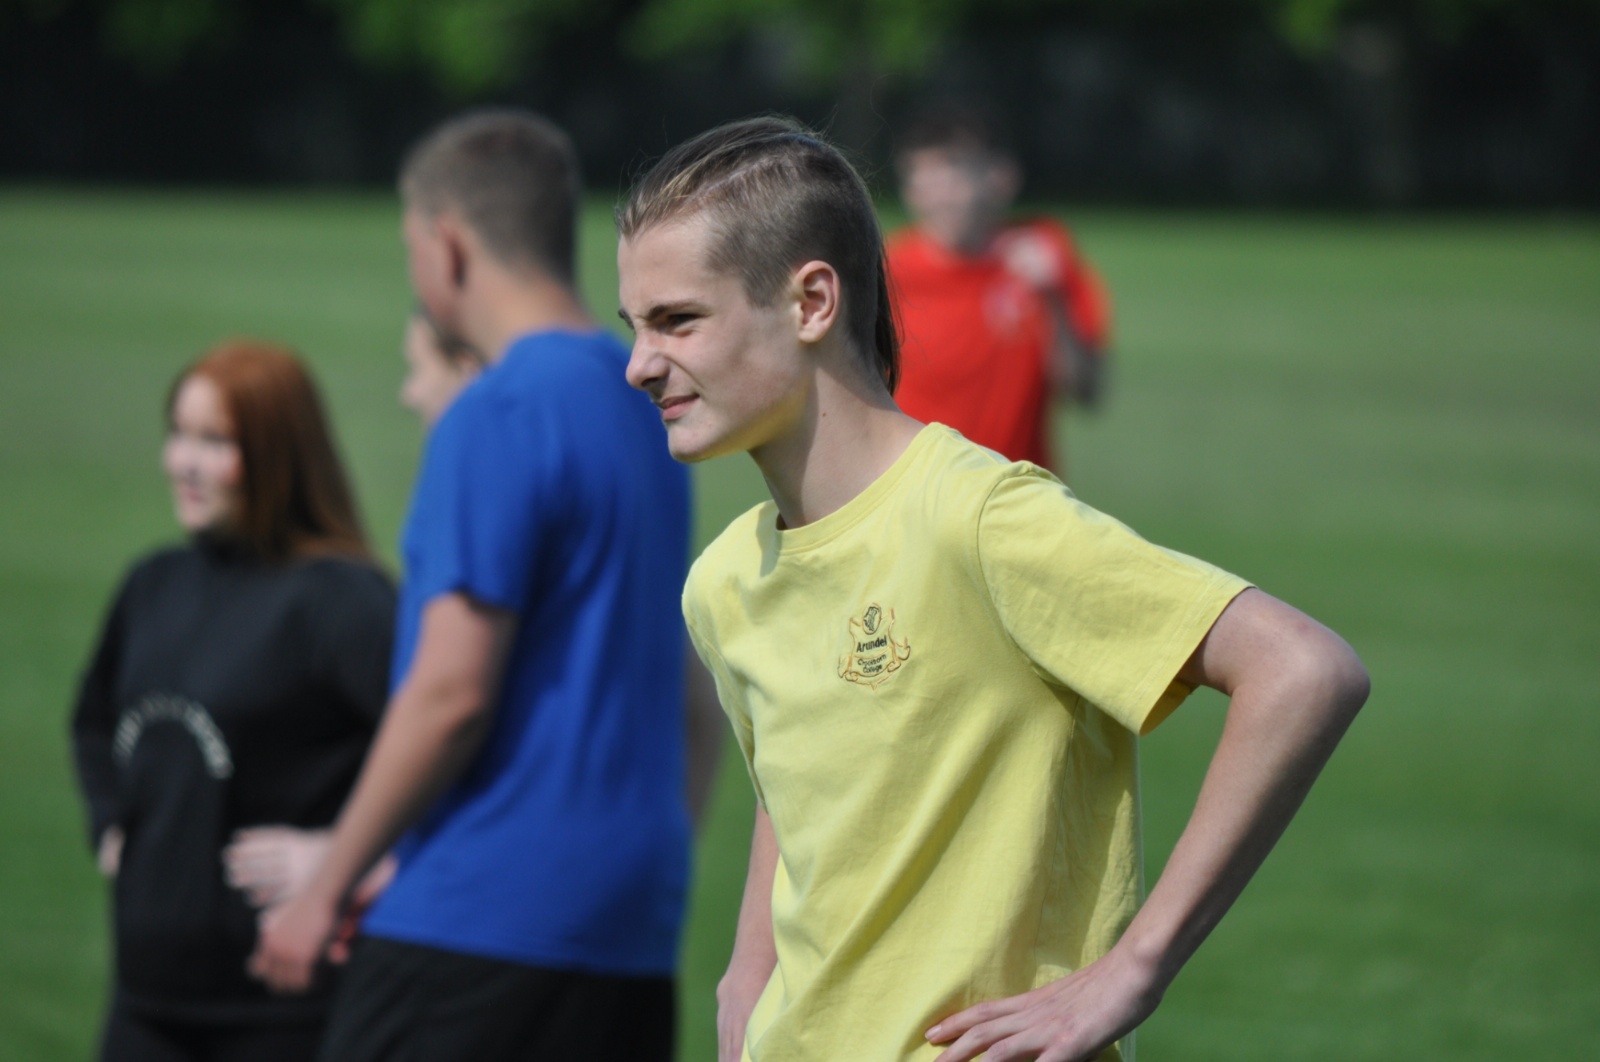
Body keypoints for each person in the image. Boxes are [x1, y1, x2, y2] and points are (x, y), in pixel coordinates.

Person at [615, 117, 1370, 1062]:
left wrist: (1132, 971)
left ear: (811, 302)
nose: (638, 365)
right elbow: (804, 782)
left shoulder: (981, 519)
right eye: (634, 326)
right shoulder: (724, 580)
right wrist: (746, 975)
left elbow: (1303, 672)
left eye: (676, 321)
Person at [249, 107, 717, 1062]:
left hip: (476, 925)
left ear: (448, 245)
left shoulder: (494, 410)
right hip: (627, 924)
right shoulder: (646, 404)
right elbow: (690, 693)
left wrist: (326, 885)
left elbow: (450, 694)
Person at [70, 340, 396, 1062]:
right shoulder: (153, 584)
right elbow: (92, 721)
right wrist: (110, 825)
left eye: (215, 442)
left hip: (284, 1010)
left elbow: (442, 752)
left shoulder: (342, 602)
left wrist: (341, 859)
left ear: (281, 454)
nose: (184, 462)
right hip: (144, 1004)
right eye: (179, 434)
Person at [219, 308, 486, 931]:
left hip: (461, 920)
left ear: (466, 369)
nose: (407, 393)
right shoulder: (161, 581)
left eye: (417, 369)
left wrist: (334, 870)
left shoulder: (465, 507)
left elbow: (448, 706)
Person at [887, 104, 1112, 475]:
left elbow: (1086, 390)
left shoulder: (1042, 255)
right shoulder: (885, 273)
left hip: (1018, 492)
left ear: (1000, 178)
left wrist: (1053, 301)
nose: (941, 195)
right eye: (924, 178)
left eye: (955, 172)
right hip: (920, 494)